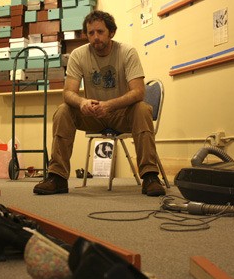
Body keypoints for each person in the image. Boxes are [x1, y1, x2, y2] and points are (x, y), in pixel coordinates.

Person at [33, 10, 166, 197]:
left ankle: (150, 176)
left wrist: (109, 105)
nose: (95, 37)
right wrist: (82, 102)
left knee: (142, 109)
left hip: (121, 114)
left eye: (100, 32)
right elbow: (68, 93)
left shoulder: (127, 52)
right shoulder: (78, 55)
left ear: (111, 32)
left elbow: (138, 91)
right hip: (93, 115)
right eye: (91, 33)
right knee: (63, 111)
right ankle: (57, 177)